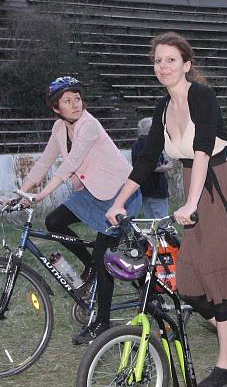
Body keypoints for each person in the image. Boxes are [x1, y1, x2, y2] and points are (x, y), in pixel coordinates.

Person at [106, 32, 227, 387]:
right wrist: (118, 200)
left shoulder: (202, 97)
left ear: (187, 65)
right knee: (188, 285)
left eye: (170, 60)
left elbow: (203, 149)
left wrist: (192, 202)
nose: (163, 66)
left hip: (220, 188)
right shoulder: (162, 108)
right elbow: (146, 161)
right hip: (194, 185)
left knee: (218, 281)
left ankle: (226, 365)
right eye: (158, 60)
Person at [18, 76, 140, 344]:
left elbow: (70, 163)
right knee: (54, 221)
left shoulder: (90, 125)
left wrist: (41, 195)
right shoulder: (59, 129)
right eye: (67, 101)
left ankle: (102, 324)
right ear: (56, 109)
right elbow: (44, 163)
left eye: (77, 98)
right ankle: (89, 266)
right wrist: (20, 193)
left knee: (103, 258)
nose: (75, 104)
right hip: (91, 193)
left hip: (119, 194)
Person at [131, 117, 173, 218]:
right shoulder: (151, 144)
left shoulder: (136, 145)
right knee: (161, 221)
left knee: (149, 221)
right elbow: (155, 167)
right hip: (156, 189)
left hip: (144, 189)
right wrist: (168, 166)